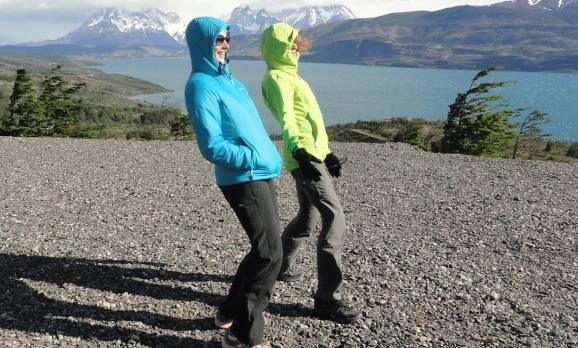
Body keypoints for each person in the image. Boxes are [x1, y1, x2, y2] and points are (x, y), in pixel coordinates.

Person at [184, 17, 283, 348]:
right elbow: (211, 145)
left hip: (261, 172)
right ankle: (242, 336)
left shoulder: (229, 81)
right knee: (271, 254)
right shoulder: (200, 84)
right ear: (203, 44)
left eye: (227, 39)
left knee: (263, 249)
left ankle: (228, 311)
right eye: (218, 40)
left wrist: (265, 157)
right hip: (244, 176)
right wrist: (253, 159)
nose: (225, 45)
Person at [260, 23, 361, 324]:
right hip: (303, 157)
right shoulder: (276, 77)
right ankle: (328, 300)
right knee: (335, 217)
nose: (296, 47)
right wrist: (300, 151)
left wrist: (326, 151)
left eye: (297, 43)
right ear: (279, 47)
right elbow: (288, 119)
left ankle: (278, 268)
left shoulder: (293, 77)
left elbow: (310, 120)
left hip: (311, 155)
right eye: (291, 43)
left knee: (309, 217)